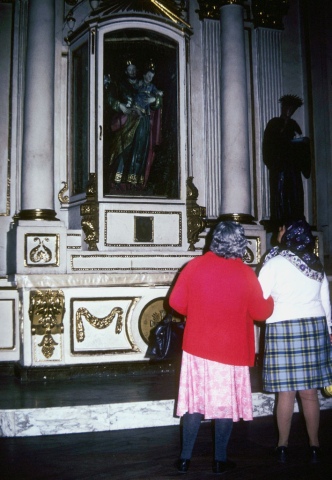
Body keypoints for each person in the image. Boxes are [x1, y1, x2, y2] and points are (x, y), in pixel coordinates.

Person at [169, 221, 274, 474]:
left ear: (214, 240)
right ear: (241, 245)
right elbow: (261, 312)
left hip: (197, 348)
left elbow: (175, 302)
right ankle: (219, 460)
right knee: (224, 405)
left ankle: (184, 459)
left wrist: (195, 312)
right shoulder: (245, 274)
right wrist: (270, 298)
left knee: (194, 403)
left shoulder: (193, 266)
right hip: (230, 351)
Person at [258, 219, 332, 464]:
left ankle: (282, 446)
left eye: (282, 230)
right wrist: (329, 330)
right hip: (314, 327)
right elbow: (325, 303)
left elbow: (260, 297)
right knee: (310, 395)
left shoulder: (275, 262)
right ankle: (314, 446)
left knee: (285, 395)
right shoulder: (316, 262)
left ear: (286, 236)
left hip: (282, 327)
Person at [107, 61, 162, 191]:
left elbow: (156, 100)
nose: (132, 72)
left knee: (139, 150)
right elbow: (110, 98)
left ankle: (133, 182)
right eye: (129, 70)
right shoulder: (119, 84)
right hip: (125, 121)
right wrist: (119, 105)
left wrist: (155, 99)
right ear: (126, 71)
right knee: (122, 149)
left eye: (134, 69)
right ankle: (116, 181)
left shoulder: (143, 84)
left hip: (141, 120)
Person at [263, 95, 311, 226]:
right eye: (288, 107)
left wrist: (303, 143)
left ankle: (296, 220)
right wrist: (283, 126)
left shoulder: (294, 125)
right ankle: (280, 220)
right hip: (280, 166)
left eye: (293, 108)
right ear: (283, 108)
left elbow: (298, 143)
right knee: (281, 193)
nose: (290, 110)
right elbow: (270, 144)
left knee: (295, 193)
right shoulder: (274, 123)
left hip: (292, 166)